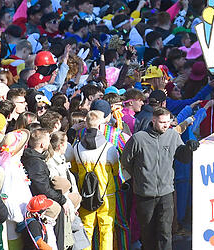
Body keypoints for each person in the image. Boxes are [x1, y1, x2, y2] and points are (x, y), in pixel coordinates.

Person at [121, 107, 198, 250]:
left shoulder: (172, 136)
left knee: (165, 232)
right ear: (153, 120)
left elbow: (183, 158)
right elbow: (126, 161)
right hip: (144, 193)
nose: (166, 125)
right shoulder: (139, 138)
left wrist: (188, 149)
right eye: (162, 122)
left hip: (166, 192)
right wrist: (140, 176)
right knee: (147, 233)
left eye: (168, 122)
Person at [67, 110, 119, 250]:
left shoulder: (76, 147)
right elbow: (115, 171)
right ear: (102, 123)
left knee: (86, 229)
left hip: (86, 194)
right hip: (106, 195)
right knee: (106, 229)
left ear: (86, 124)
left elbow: (74, 170)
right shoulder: (109, 148)